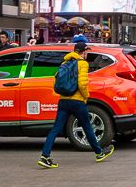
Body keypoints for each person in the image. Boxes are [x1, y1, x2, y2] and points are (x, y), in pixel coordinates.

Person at [39, 35, 110, 169]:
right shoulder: (82, 63)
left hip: (63, 100)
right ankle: (99, 153)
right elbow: (82, 84)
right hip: (77, 101)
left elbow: (57, 81)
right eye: (86, 52)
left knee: (55, 129)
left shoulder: (64, 63)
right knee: (87, 127)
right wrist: (86, 96)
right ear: (82, 52)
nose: (86, 54)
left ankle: (45, 156)